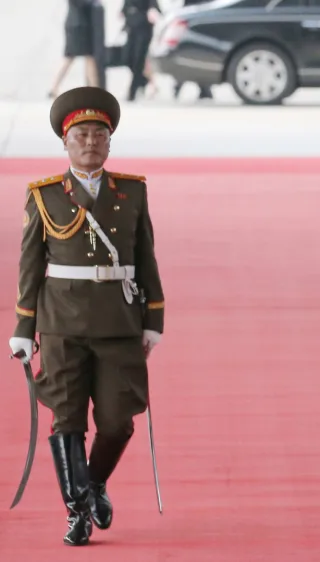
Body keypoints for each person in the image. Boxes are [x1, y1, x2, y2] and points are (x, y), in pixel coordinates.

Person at [9, 86, 165, 546]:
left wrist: (153, 317)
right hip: (61, 324)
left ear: (110, 141)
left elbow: (146, 256)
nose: (91, 141)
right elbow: (30, 265)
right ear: (65, 141)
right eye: (81, 134)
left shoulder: (132, 192)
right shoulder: (44, 195)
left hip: (119, 322)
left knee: (118, 419)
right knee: (67, 418)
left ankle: (93, 482)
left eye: (99, 133)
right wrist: (23, 327)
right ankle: (77, 510)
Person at [50, 0, 101, 98]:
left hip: (79, 25)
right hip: (77, 26)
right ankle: (54, 88)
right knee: (74, 57)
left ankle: (95, 90)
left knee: (87, 58)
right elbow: (82, 3)